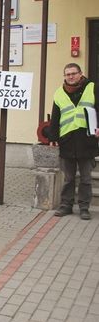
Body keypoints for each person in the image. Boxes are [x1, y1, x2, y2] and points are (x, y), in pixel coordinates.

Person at [46, 63, 99, 220]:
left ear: (80, 74)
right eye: (67, 74)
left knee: (86, 179)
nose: (70, 76)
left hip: (86, 140)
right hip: (67, 141)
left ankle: (84, 208)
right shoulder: (59, 93)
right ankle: (66, 206)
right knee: (68, 178)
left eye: (73, 73)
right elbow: (55, 118)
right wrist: (52, 138)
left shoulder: (92, 88)